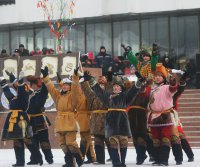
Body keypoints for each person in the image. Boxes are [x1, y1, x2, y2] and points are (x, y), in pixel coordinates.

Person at [84, 72, 141, 167]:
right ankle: (116, 162)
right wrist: (91, 80)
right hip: (111, 122)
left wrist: (139, 81)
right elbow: (98, 90)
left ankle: (122, 161)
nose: (116, 88)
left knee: (123, 142)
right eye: (114, 86)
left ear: (121, 88)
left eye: (118, 86)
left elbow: (134, 91)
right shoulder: (107, 96)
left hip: (123, 121)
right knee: (113, 142)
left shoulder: (125, 96)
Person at [41, 66, 83, 167]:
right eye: (63, 85)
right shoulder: (58, 96)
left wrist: (75, 76)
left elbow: (76, 88)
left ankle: (79, 157)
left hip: (70, 122)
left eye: (67, 85)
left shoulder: (73, 96)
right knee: (63, 145)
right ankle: (69, 163)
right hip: (60, 123)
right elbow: (51, 88)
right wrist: (46, 77)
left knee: (71, 144)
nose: (64, 86)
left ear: (70, 86)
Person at [1, 71, 43, 167]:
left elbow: (19, 88)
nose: (16, 85)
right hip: (13, 118)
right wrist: (3, 82)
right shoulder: (15, 98)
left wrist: (20, 81)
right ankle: (20, 162)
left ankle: (38, 156)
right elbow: (8, 92)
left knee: (27, 140)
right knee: (17, 141)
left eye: (19, 84)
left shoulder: (25, 95)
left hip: (21, 119)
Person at [146, 63, 178, 166]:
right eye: (156, 76)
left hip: (165, 116)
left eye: (160, 76)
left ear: (163, 77)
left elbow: (173, 89)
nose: (158, 78)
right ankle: (157, 159)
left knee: (165, 138)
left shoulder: (167, 87)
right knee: (155, 139)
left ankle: (164, 160)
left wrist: (173, 83)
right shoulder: (152, 89)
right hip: (154, 116)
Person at [25, 75, 53, 164]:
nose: (31, 86)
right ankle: (34, 159)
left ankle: (49, 158)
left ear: (35, 85)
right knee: (33, 140)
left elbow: (45, 91)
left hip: (40, 119)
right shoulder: (31, 94)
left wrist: (44, 80)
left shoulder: (42, 92)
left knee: (44, 140)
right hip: (31, 120)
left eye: (32, 84)